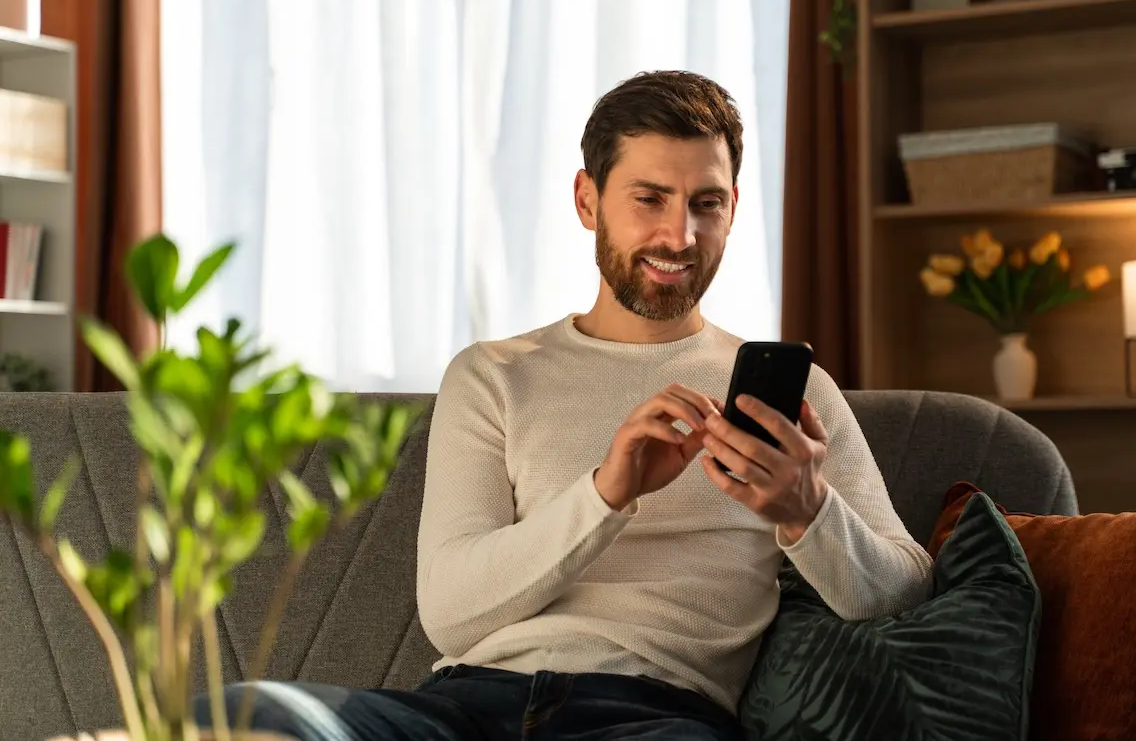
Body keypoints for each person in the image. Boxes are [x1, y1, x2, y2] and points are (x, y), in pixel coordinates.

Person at [197, 70, 933, 740]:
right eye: (649, 199)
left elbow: (905, 592)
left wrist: (808, 510)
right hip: (458, 711)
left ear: (733, 207)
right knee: (234, 715)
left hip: (652, 716)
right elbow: (451, 610)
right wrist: (607, 493)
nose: (679, 235)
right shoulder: (494, 376)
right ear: (588, 200)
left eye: (705, 203)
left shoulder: (796, 397)